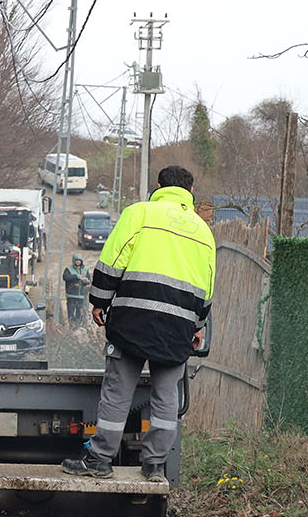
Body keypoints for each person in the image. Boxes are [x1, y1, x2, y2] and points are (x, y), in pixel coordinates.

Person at [62, 165, 215, 485]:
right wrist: (197, 325)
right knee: (166, 396)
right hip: (178, 327)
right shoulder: (203, 232)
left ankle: (100, 459)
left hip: (132, 319)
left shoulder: (139, 214)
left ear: (159, 186)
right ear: (190, 191)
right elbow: (207, 285)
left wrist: (99, 301)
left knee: (118, 391)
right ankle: (155, 465)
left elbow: (112, 260)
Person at [61, 255, 89, 328]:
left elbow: (89, 280)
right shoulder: (68, 269)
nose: (78, 262)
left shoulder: (85, 269)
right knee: (71, 312)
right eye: (76, 260)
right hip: (71, 295)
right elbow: (65, 277)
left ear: (81, 261)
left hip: (81, 295)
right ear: (74, 261)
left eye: (79, 260)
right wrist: (76, 276)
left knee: (79, 313)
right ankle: (71, 326)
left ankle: (78, 327)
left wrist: (86, 281)